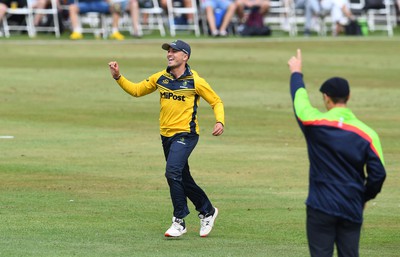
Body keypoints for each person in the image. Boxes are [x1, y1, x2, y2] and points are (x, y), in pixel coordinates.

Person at [108, 40, 224, 237]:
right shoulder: (160, 77)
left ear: (185, 56)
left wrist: (220, 121)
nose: (169, 54)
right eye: (168, 51)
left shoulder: (196, 81)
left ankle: (179, 221)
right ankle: (208, 211)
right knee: (183, 178)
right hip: (166, 136)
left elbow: (216, 101)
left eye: (174, 51)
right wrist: (118, 77)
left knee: (172, 173)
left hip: (186, 135)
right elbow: (137, 91)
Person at [287, 49, 386, 257]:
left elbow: (299, 100)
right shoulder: (368, 134)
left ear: (326, 98)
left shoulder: (313, 123)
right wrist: (363, 197)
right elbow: (378, 175)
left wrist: (296, 72)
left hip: (320, 206)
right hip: (351, 206)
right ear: (348, 97)